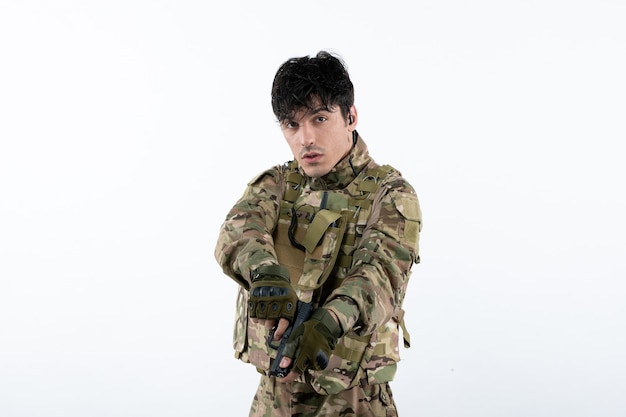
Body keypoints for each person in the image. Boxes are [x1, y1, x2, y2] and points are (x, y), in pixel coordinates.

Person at [214, 50, 422, 417]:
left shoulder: (390, 194)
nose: (305, 138)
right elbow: (238, 232)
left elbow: (380, 271)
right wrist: (264, 273)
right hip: (275, 395)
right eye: (291, 125)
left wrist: (329, 322)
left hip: (353, 396)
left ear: (351, 117)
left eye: (319, 118)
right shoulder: (277, 183)